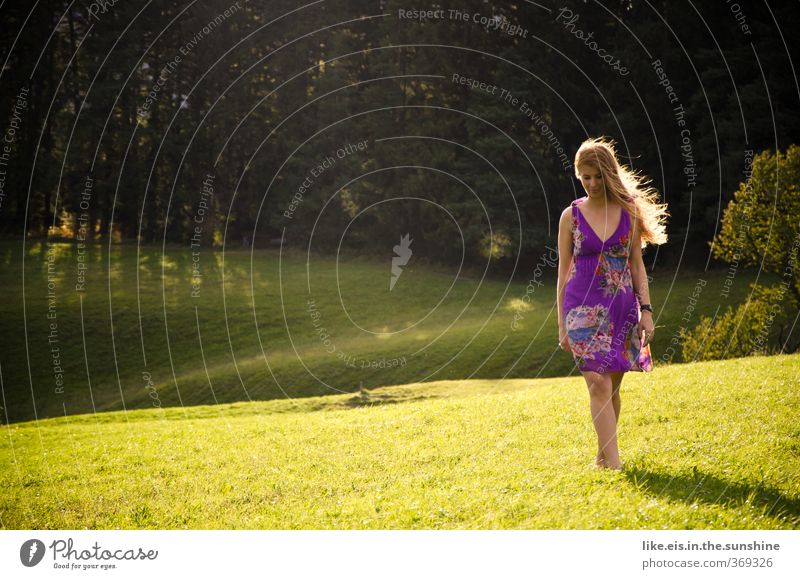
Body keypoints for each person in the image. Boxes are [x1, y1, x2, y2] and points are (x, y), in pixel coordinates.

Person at [556, 137, 669, 470]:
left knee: (612, 388)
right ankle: (616, 466)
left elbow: (636, 264)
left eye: (596, 176)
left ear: (608, 174)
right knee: (599, 383)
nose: (591, 183)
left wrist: (646, 311)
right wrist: (561, 322)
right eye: (585, 177)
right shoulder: (570, 216)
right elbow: (563, 272)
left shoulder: (628, 211)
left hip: (621, 310)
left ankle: (602, 458)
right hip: (581, 310)